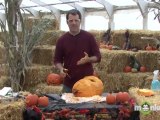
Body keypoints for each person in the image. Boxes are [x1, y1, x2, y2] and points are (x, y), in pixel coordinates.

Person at [53, 9, 101, 93]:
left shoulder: (89, 37)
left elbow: (98, 57)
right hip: (69, 84)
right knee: (66, 106)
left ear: (80, 21)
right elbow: (57, 60)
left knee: (86, 106)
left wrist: (88, 59)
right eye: (71, 20)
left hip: (87, 83)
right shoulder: (61, 40)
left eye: (76, 20)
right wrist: (61, 69)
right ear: (67, 22)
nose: (74, 23)